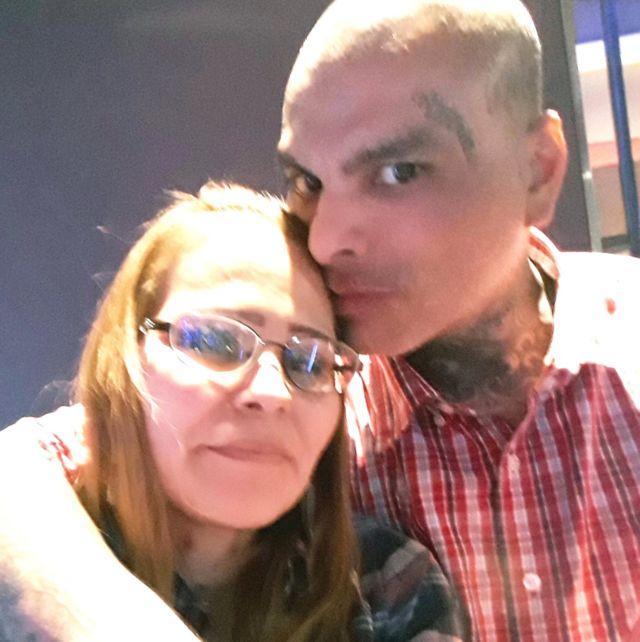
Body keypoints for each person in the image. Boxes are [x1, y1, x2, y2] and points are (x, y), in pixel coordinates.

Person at [277, 0, 640, 640]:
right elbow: (79, 479)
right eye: (307, 181)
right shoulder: (290, 409)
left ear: (538, 171)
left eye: (398, 172)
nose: (326, 241)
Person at [0, 181, 467, 641]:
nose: (273, 392)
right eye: (214, 341)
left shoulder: (387, 586)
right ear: (126, 359)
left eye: (310, 362)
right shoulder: (24, 525)